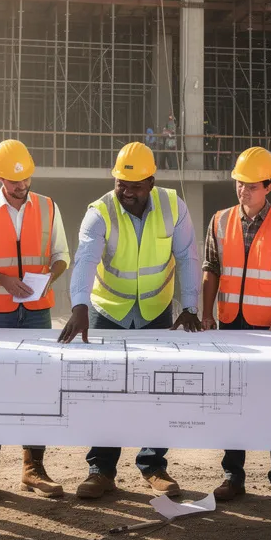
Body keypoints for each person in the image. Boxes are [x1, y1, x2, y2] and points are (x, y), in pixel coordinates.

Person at [58, 142, 202, 499]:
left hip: (157, 312)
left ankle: (153, 466)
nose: (126, 192)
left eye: (134, 186)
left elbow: (186, 257)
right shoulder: (101, 211)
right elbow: (86, 260)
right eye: (121, 183)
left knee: (158, 392)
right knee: (104, 393)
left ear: (151, 182)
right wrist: (79, 306)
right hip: (108, 312)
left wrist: (191, 306)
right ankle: (101, 470)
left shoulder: (173, 207)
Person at [0, 139, 71, 501]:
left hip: (38, 313)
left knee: (39, 389)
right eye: (13, 181)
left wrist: (48, 279)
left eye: (25, 180)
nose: (21, 187)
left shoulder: (48, 206)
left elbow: (61, 255)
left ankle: (32, 468)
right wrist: (4, 281)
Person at [200, 147, 271, 506]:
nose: (243, 190)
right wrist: (206, 313)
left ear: (268, 186)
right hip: (231, 323)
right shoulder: (219, 220)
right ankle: (233, 476)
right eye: (239, 184)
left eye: (251, 185)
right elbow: (210, 270)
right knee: (233, 402)